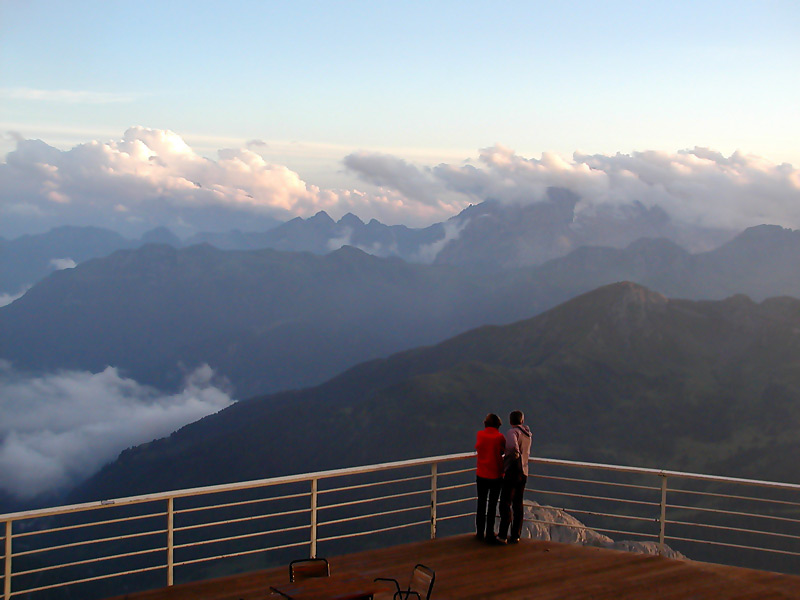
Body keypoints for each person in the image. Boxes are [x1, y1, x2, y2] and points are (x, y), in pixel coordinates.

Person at [497, 410, 532, 544]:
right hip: (524, 471)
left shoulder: (513, 432)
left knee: (505, 503)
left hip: (513, 471)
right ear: (522, 421)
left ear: (511, 421)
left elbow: (512, 447)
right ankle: (516, 535)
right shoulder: (528, 434)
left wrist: (509, 459)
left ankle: (502, 535)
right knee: (518, 503)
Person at [474, 413, 505, 542]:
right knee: (492, 505)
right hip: (496, 475)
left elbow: (478, 447)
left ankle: (479, 532)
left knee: (481, 503)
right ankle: (490, 533)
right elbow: (503, 451)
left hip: (481, 474)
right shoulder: (500, 437)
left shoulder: (480, 434)